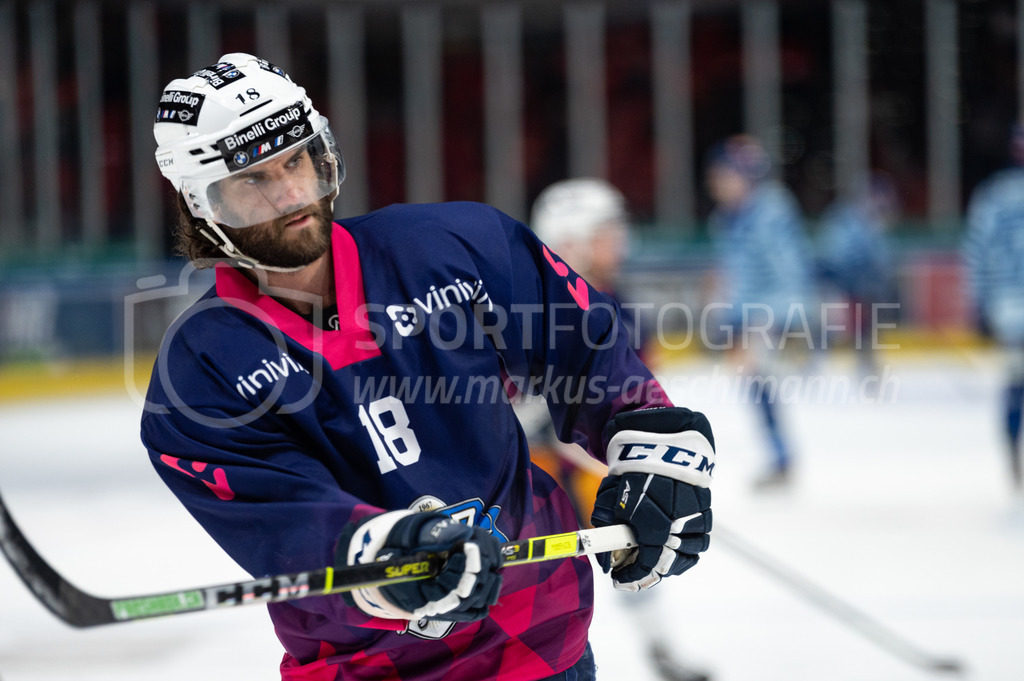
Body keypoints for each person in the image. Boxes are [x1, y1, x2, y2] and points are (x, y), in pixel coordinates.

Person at [142, 53, 715, 680]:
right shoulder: (199, 372)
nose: (290, 194)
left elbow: (584, 347)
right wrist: (381, 556)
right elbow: (286, 520)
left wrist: (650, 441)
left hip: (538, 645)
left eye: (297, 161)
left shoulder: (456, 247)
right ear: (202, 203)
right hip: (369, 669)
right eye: (253, 180)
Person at [525, 178, 711, 681]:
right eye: (606, 231)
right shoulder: (524, 306)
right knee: (529, 574)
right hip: (535, 472)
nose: (620, 241)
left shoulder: (620, 307)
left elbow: (642, 397)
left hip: (592, 467)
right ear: (571, 242)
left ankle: (659, 647)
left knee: (635, 542)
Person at [704, 134, 815, 490]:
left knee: (761, 385)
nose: (716, 183)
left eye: (723, 174)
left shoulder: (770, 213)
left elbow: (788, 272)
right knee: (757, 390)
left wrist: (767, 325)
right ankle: (779, 458)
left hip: (771, 319)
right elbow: (734, 273)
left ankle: (781, 459)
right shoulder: (729, 218)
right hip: (750, 320)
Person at [963, 122, 1024, 492]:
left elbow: (976, 255)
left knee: (1015, 383)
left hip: (1008, 311)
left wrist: (980, 306)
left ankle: (1012, 448)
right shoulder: (994, 196)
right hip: (1011, 310)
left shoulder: (992, 197)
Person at [817, 172, 899, 377]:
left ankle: (865, 364)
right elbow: (834, 256)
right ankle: (816, 359)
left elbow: (880, 261)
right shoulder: (845, 220)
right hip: (835, 283)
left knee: (864, 325)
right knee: (830, 323)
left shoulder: (871, 224)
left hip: (858, 288)